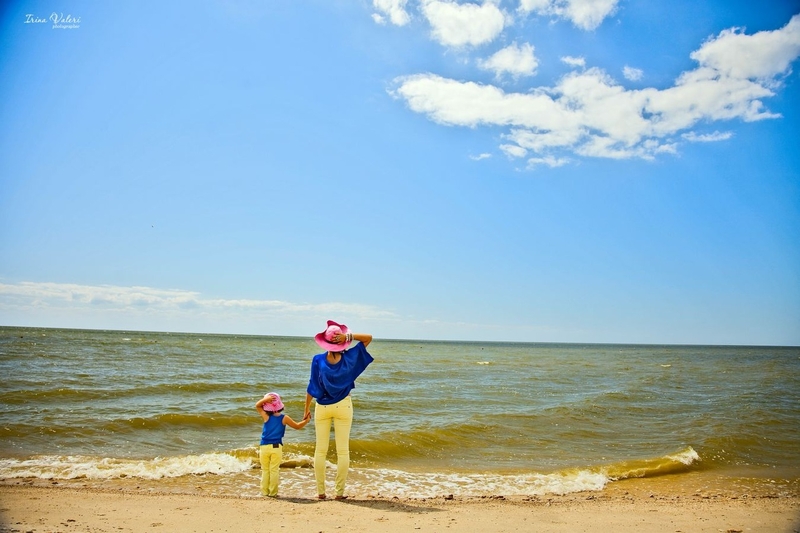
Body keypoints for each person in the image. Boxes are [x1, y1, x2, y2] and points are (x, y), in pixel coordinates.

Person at [304, 320, 373, 500]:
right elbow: (368, 338)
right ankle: (339, 493)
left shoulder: (318, 360)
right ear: (342, 342)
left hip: (322, 407)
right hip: (344, 406)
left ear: (325, 342)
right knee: (343, 451)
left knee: (320, 450)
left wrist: (306, 408)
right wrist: (348, 336)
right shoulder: (349, 358)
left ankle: (321, 492)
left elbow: (312, 385)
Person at [256, 392, 310, 497]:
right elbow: (297, 426)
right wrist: (306, 421)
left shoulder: (266, 416)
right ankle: (273, 493)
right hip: (276, 447)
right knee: (274, 470)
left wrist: (266, 399)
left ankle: (264, 493)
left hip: (264, 446)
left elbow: (257, 405)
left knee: (265, 470)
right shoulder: (284, 418)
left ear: (266, 406)